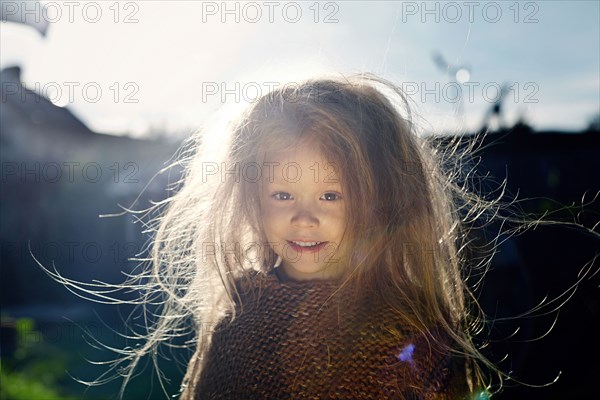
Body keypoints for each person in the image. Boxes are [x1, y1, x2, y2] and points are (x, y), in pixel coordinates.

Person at [148, 73, 494, 399]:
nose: (304, 218)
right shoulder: (237, 326)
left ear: (378, 203)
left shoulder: (412, 329)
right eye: (282, 195)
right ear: (252, 199)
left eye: (331, 196)